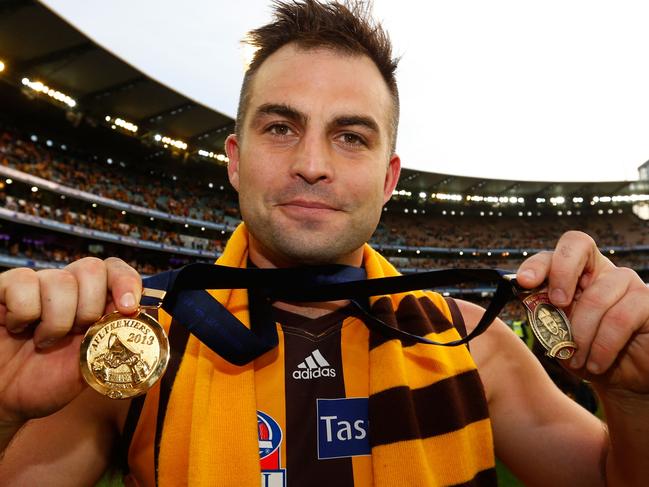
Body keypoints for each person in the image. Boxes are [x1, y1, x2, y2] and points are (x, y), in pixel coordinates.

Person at [1, 1, 648, 485]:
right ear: (234, 158)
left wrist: (629, 398)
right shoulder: (133, 346)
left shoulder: (474, 344)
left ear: (389, 177)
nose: (312, 163)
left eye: (351, 136)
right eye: (281, 126)